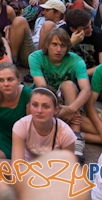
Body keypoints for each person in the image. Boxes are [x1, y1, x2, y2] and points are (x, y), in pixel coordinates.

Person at [28, 27, 91, 161]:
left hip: (68, 100)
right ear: (47, 45)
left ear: (68, 47)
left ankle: (76, 136)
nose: (58, 50)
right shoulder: (35, 57)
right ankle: (44, 135)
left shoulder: (76, 60)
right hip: (44, 98)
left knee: (68, 85)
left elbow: (86, 89)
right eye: (54, 44)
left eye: (63, 46)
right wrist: (58, 110)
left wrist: (71, 109)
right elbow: (42, 87)